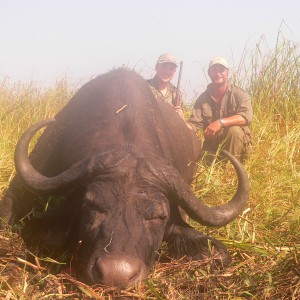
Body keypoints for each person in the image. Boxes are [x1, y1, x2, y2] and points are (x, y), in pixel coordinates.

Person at [187, 57, 253, 162]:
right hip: (212, 147)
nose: (218, 73)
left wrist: (220, 122)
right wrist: (180, 126)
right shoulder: (202, 98)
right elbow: (194, 124)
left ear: (227, 72)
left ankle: (231, 171)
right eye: (214, 70)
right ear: (209, 73)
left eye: (221, 70)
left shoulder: (239, 94)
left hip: (238, 146)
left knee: (234, 130)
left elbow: (246, 117)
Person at [147, 53, 184, 119]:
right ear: (156, 67)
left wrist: (181, 118)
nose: (167, 71)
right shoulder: (144, 88)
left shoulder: (176, 93)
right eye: (164, 67)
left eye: (171, 69)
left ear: (174, 72)